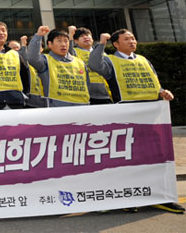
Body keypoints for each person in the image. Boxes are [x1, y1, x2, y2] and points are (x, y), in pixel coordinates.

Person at [88, 28, 183, 214]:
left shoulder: (144, 60)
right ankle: (129, 197)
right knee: (129, 158)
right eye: (126, 39)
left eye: (132, 38)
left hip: (151, 116)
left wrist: (163, 92)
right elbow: (93, 65)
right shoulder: (110, 61)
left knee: (156, 156)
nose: (132, 41)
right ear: (116, 44)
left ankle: (161, 196)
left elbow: (154, 83)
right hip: (126, 116)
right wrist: (101, 44)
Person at [27, 26, 90, 107]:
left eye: (66, 41)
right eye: (59, 41)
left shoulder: (80, 62)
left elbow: (87, 85)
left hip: (83, 106)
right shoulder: (45, 61)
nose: (63, 44)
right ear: (50, 44)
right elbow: (32, 58)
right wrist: (38, 36)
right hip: (57, 108)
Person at [68, 26, 112, 105]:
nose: (85, 37)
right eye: (81, 36)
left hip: (105, 94)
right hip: (85, 94)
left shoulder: (102, 53)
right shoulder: (74, 52)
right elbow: (68, 51)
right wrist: (70, 35)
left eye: (87, 35)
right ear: (76, 41)